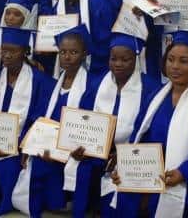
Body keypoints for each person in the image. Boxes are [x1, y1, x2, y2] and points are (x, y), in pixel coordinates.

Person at [111, 33, 188, 216]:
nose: (175, 66)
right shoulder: (156, 97)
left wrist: (184, 173)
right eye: (170, 59)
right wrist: (125, 167)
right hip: (149, 179)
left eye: (184, 61)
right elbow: (140, 138)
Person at [69, 34, 161, 217]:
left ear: (136, 59)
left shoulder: (150, 88)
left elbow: (151, 130)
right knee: (83, 168)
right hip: (98, 152)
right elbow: (83, 120)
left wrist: (123, 154)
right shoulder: (97, 84)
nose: (118, 64)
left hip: (131, 156)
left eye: (125, 59)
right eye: (113, 59)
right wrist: (80, 146)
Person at [0, 27, 54, 217]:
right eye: (4, 50)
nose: (6, 55)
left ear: (25, 52)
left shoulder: (40, 81)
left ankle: (8, 200)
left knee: (7, 162)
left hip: (23, 142)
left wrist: (19, 143)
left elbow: (39, 119)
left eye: (13, 51)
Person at [21, 25, 94, 217]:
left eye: (73, 52)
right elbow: (40, 119)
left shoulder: (91, 87)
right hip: (50, 144)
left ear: (84, 54)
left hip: (75, 147)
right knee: (37, 161)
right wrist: (29, 146)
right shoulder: (51, 85)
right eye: (63, 52)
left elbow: (91, 125)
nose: (67, 57)